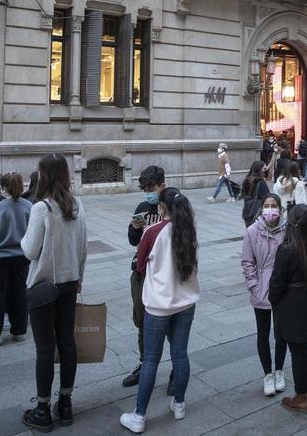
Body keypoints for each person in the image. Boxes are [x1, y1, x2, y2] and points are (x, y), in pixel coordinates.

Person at [121, 188, 200, 434]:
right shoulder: (188, 230)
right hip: (186, 303)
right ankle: (179, 404)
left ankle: (139, 415)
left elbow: (141, 264)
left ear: (162, 208)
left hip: (158, 305)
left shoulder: (153, 231)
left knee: (151, 360)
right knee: (180, 355)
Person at [21, 153, 89, 432]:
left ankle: (42, 409)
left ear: (44, 176)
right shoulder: (77, 204)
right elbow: (83, 248)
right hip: (70, 283)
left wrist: (22, 237)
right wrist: (79, 278)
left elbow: (29, 250)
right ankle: (65, 402)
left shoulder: (41, 209)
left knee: (45, 349)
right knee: (68, 343)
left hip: (43, 287)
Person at [269, 204, 307, 413]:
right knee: (303, 349)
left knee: (298, 351)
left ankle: (302, 395)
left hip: (291, 307)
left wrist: (274, 300)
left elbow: (276, 284)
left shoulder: (286, 249)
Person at [241, 194, 288, 397]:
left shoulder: (288, 230)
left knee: (282, 333)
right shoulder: (252, 231)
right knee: (263, 333)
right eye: (267, 206)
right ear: (262, 209)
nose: (270, 209)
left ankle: (279, 370)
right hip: (260, 289)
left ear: (280, 209)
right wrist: (253, 284)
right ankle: (267, 373)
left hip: (283, 290)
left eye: (274, 206)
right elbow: (246, 262)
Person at [124, 165, 166, 387]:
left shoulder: (170, 205)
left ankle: (176, 371)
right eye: (145, 188)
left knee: (168, 322)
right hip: (141, 273)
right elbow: (132, 240)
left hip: (164, 274)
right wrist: (134, 227)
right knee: (142, 320)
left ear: (162, 185)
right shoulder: (143, 206)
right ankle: (144, 364)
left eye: (151, 188)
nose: (148, 192)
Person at [0, 172, 31, 345]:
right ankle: (19, 330)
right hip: (21, 256)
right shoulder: (28, 206)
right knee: (19, 292)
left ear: (3, 188)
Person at [239, 161, 270, 228]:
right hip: (257, 212)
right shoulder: (260, 182)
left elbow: (243, 194)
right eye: (264, 169)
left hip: (247, 210)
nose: (265, 171)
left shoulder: (247, 179)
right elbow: (266, 197)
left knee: (250, 232)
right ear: (259, 170)